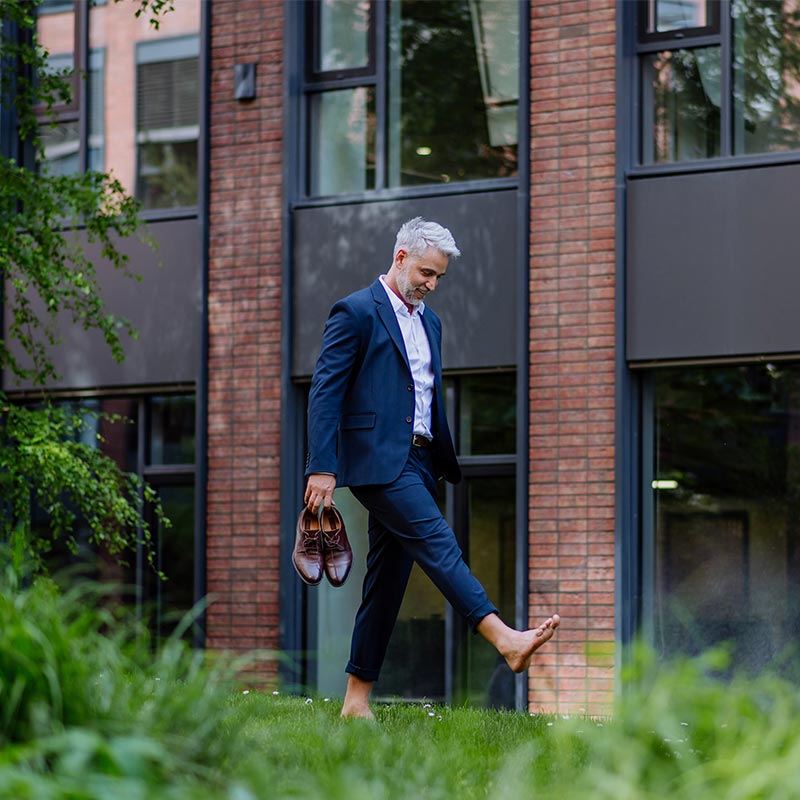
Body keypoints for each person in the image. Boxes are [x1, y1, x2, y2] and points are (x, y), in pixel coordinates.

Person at [302, 217, 560, 719]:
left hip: (420, 461)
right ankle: (504, 639)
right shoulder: (355, 312)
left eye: (438, 276)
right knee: (440, 545)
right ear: (400, 258)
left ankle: (356, 701)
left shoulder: (431, 321)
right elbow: (325, 392)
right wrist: (322, 468)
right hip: (379, 463)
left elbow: (422, 392)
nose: (431, 284)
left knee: (387, 580)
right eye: (426, 272)